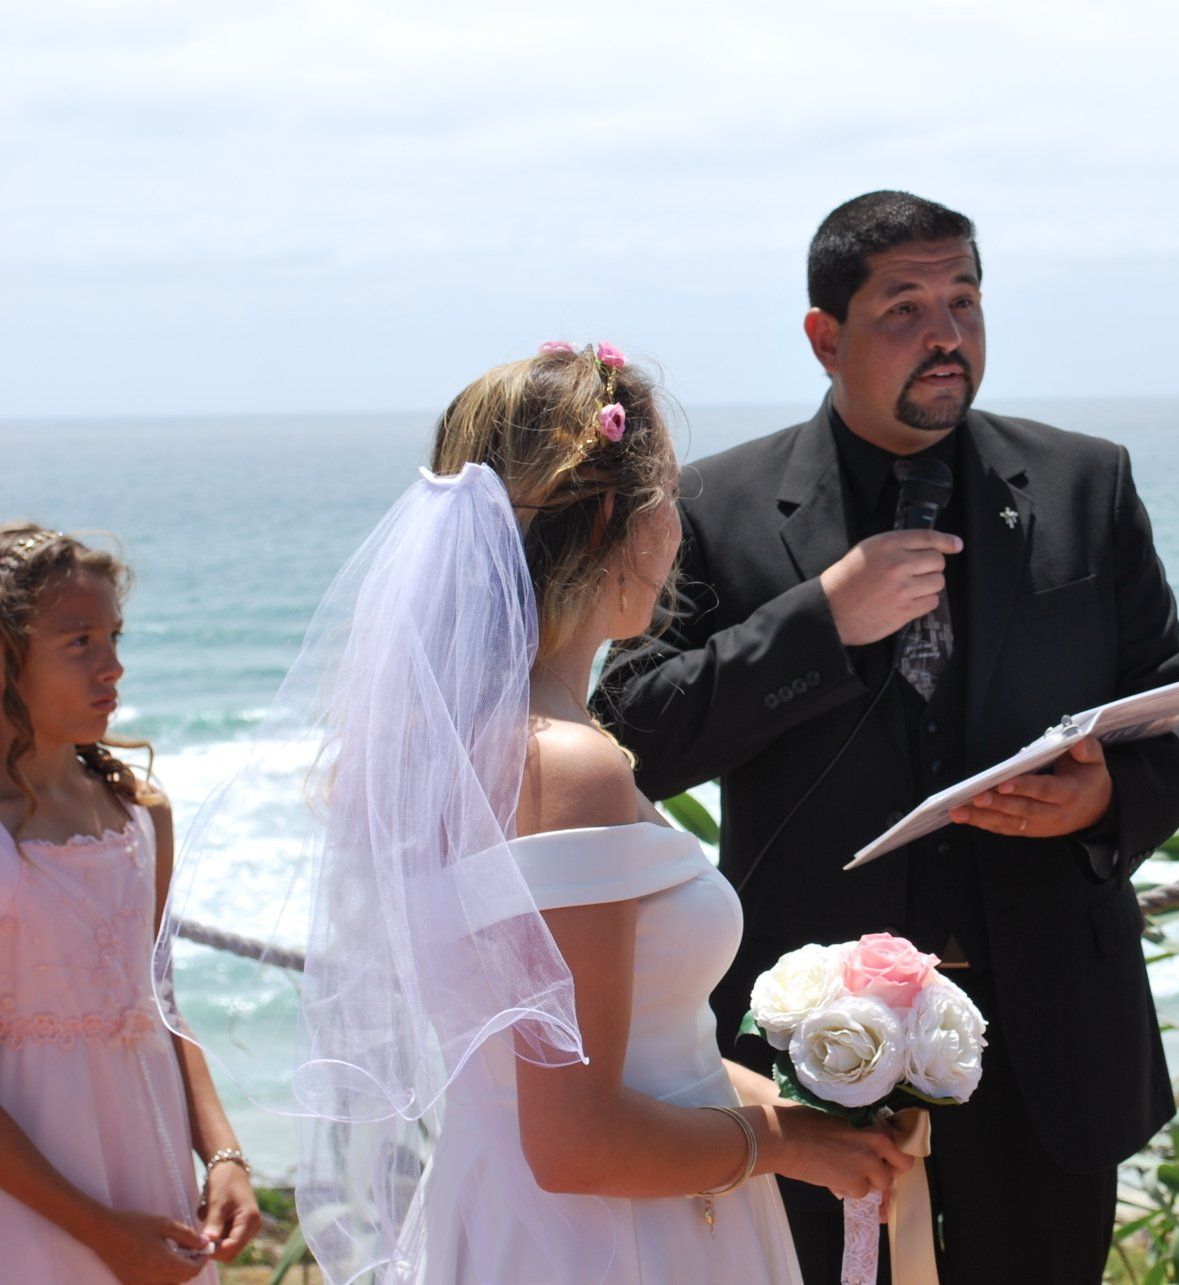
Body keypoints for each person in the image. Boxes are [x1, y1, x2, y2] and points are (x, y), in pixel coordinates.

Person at [155, 345, 909, 1284]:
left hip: (517, 1214)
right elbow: (576, 1141)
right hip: (618, 1241)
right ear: (609, 516)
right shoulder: (565, 765)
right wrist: (780, 1145)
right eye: (670, 494)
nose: (681, 526)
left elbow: (599, 1062)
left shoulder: (456, 746)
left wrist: (813, 1108)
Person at [593, 191, 1179, 1283]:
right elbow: (629, 732)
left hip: (1046, 1049)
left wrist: (1104, 799)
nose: (947, 334)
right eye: (907, 308)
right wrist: (820, 620)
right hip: (814, 1051)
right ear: (823, 337)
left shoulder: (1087, 481)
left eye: (966, 302)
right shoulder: (717, 505)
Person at [0, 523, 259, 1283]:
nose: (112, 666)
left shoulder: (142, 814)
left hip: (151, 1185)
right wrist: (101, 1234)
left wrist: (223, 1153)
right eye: (79, 641)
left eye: (114, 636)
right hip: (33, 1207)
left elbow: (161, 1000)